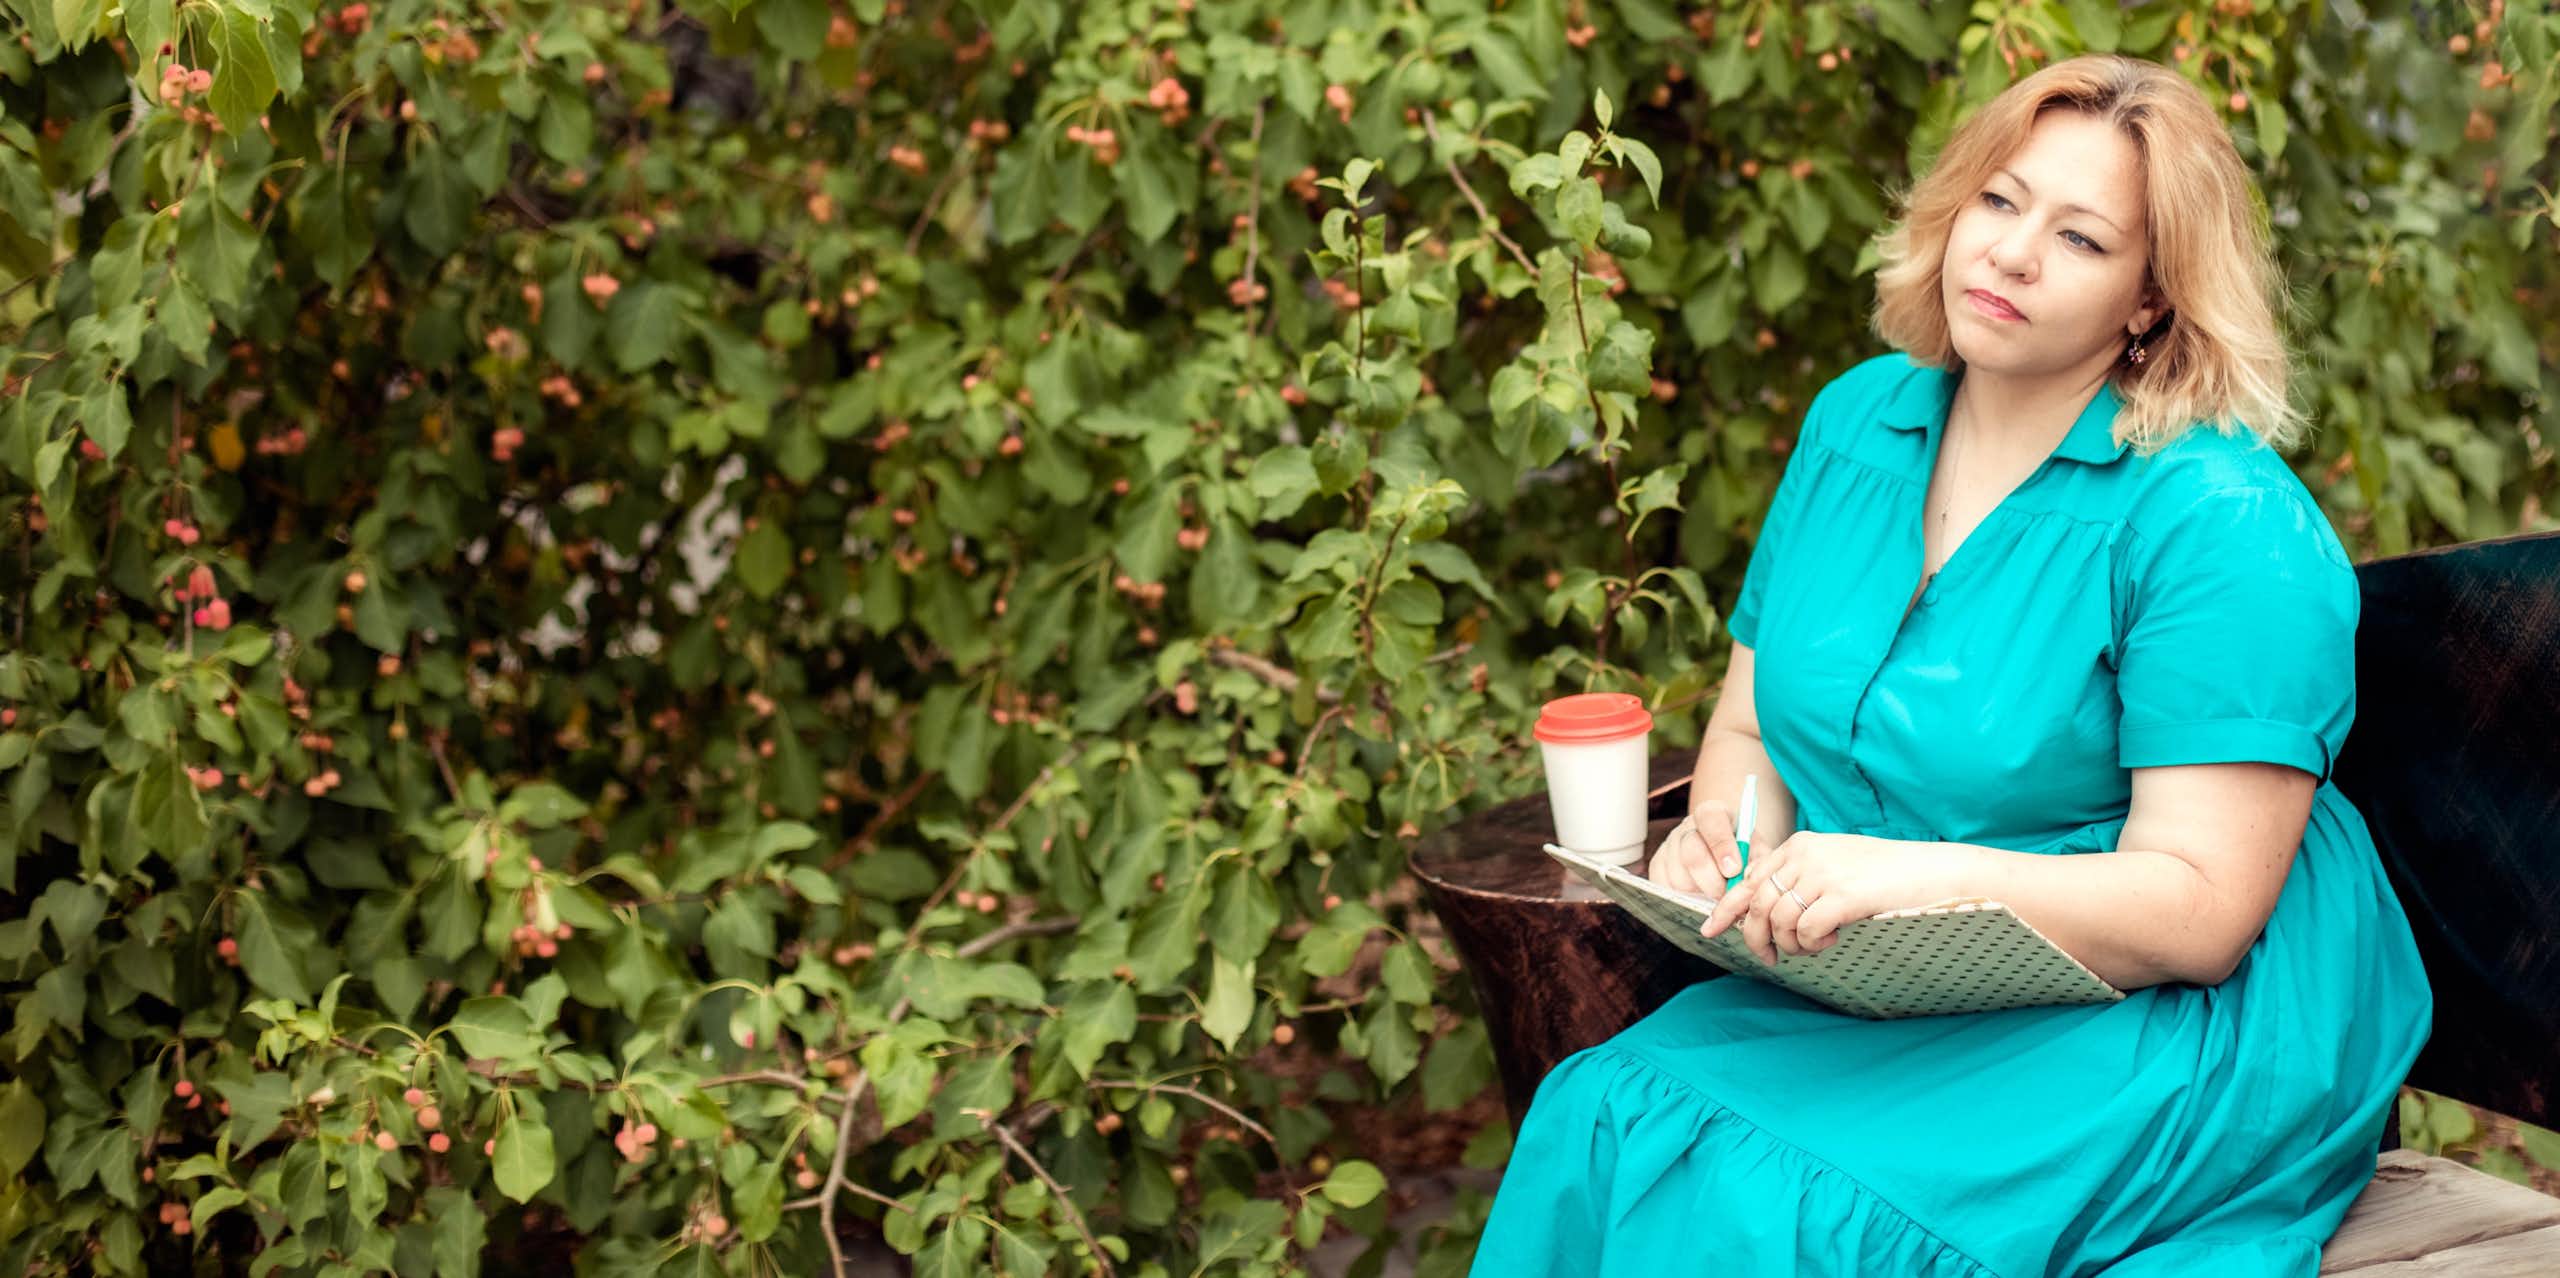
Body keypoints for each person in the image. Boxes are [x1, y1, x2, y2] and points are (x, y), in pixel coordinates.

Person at [1471, 53, 2432, 1276]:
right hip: (1900, 976)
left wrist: (1900, 877)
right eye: (1999, 201)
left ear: (2152, 300)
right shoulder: (1856, 421)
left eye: (2082, 239)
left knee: (1789, 1205)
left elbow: (2199, 912)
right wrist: (1724, 833)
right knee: (1606, 1111)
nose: (2014, 254)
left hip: (2161, 1018)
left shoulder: (2220, 519)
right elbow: (1757, 732)